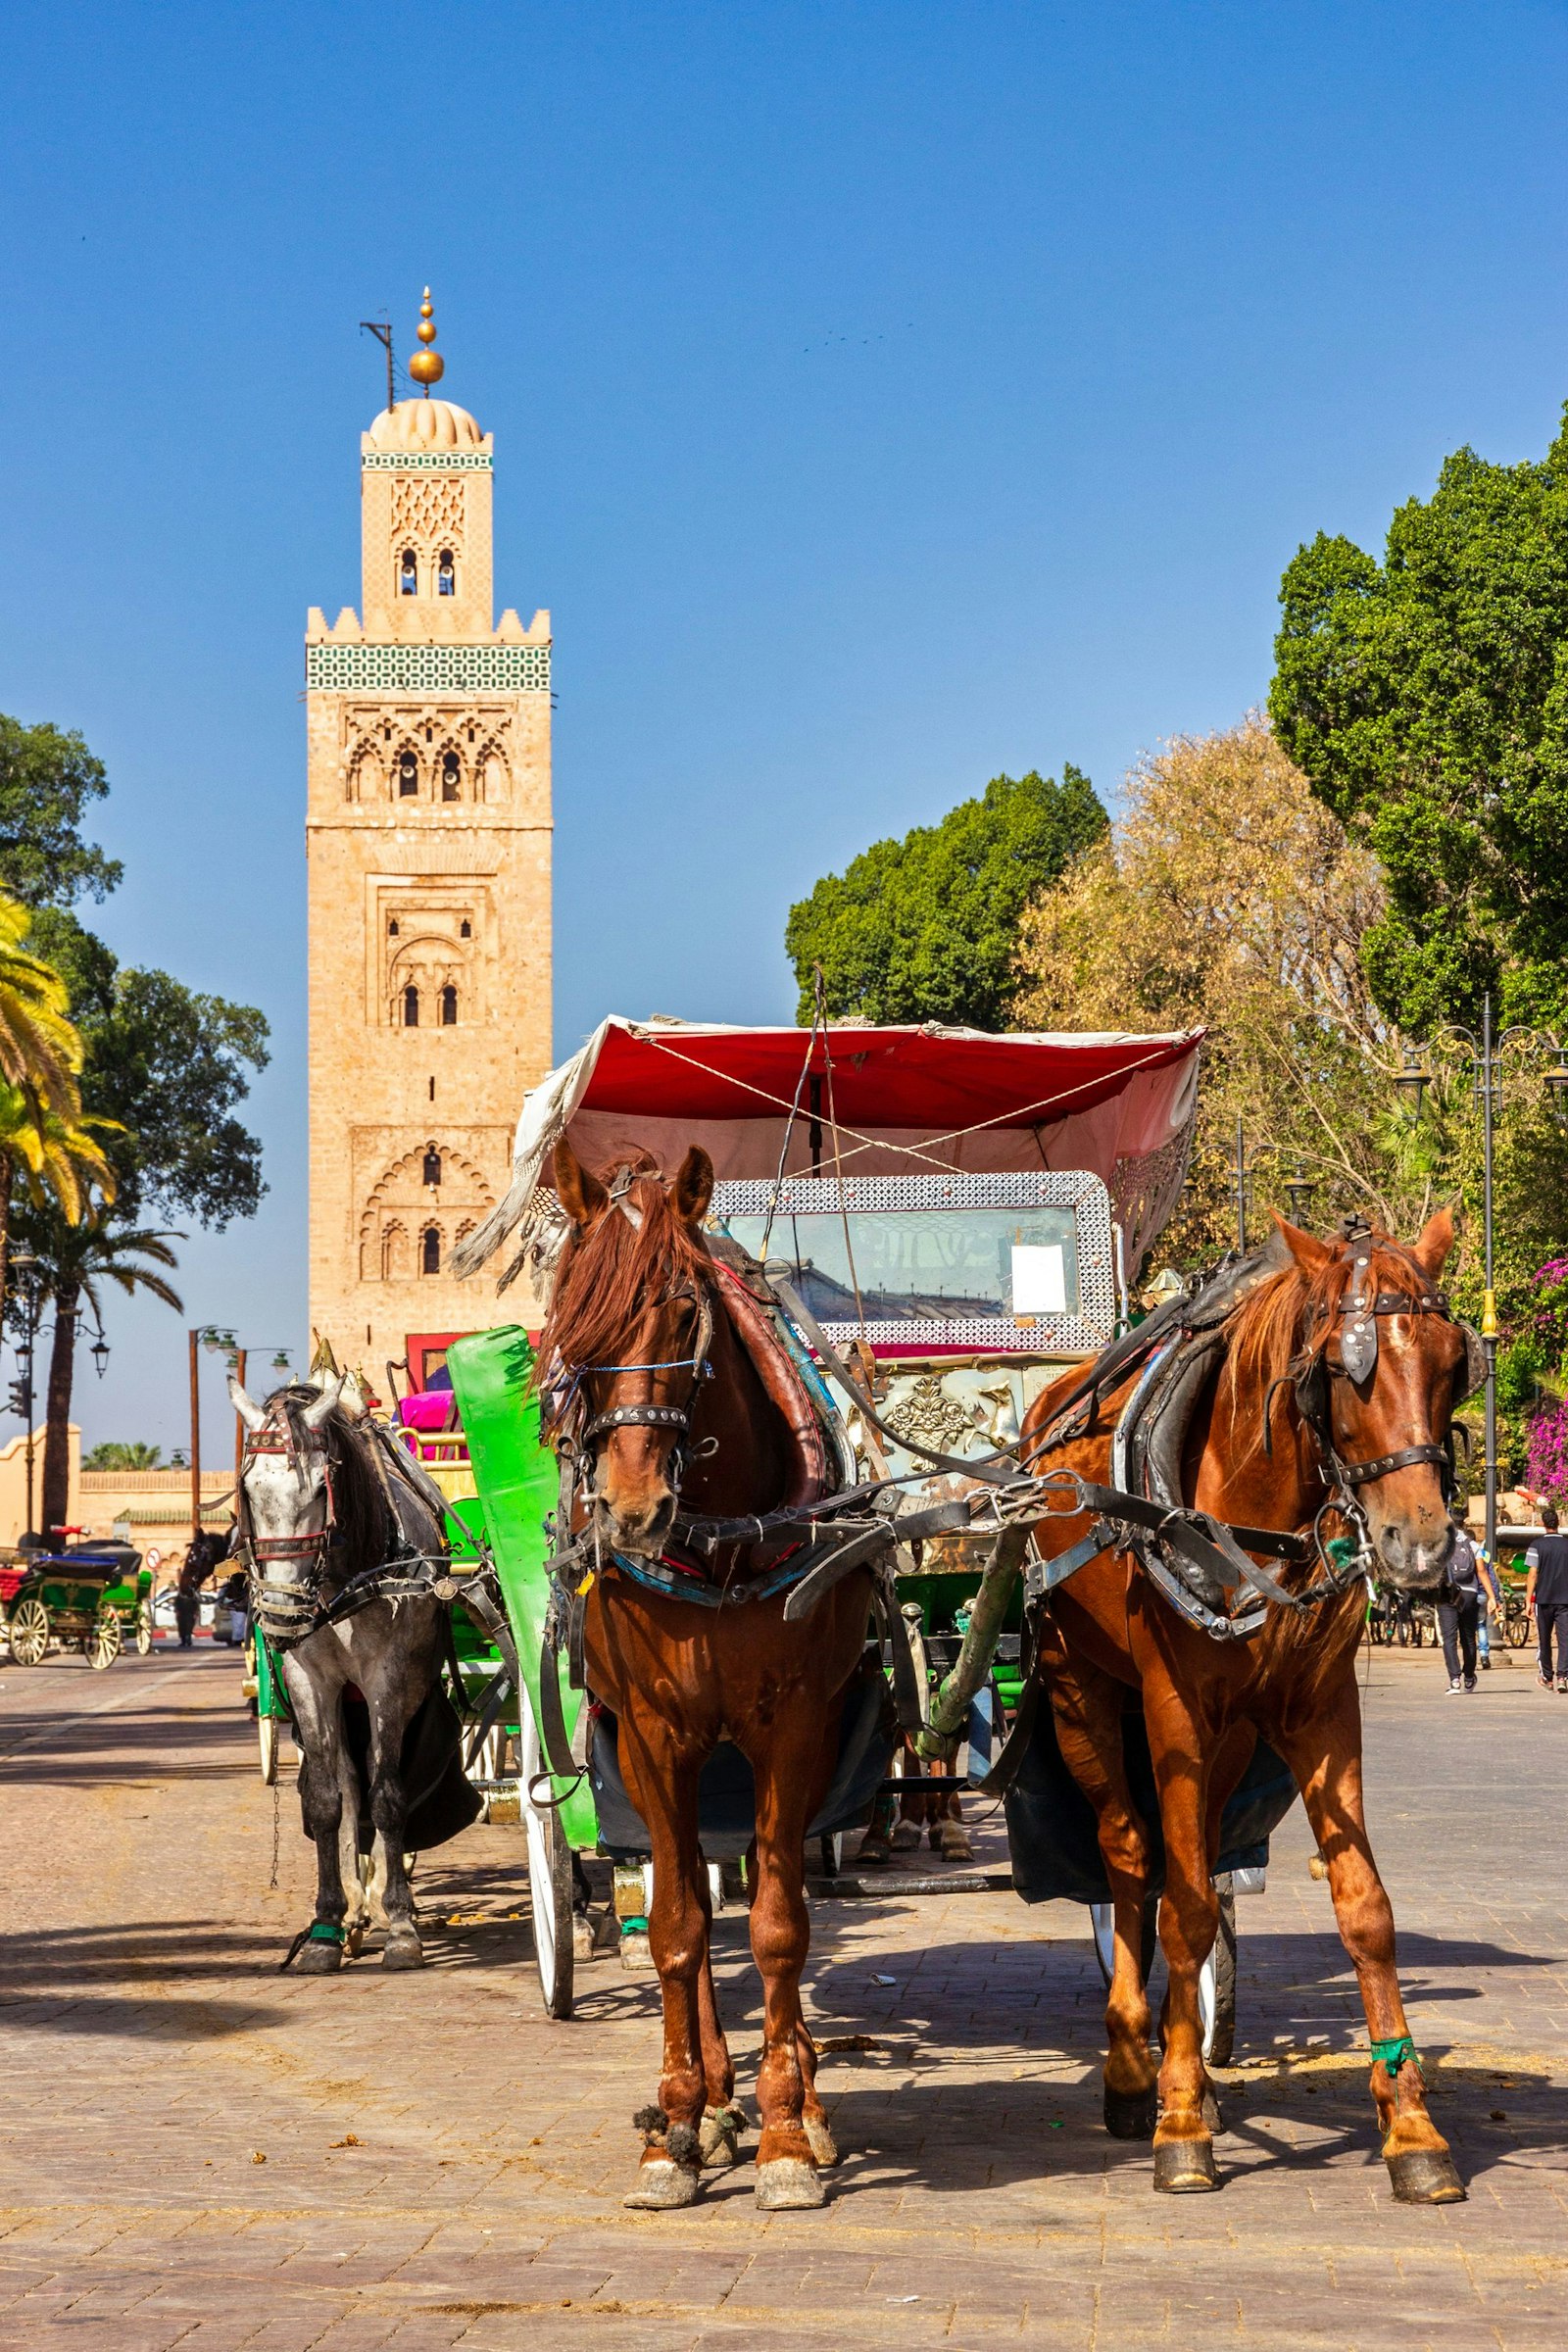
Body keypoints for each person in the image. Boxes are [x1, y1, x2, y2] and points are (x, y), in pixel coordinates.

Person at [1438, 1521, 1490, 1693]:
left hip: (1447, 1594)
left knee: (1449, 1639)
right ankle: (1469, 1677)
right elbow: (1481, 1571)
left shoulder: (1440, 1543)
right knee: (1468, 1638)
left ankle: (1454, 1681)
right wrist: (1491, 1596)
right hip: (1469, 1594)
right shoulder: (1472, 1544)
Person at [1525, 1502, 1568, 1692]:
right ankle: (1562, 1677)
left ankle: (1547, 1677)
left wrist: (1528, 1599)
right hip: (1565, 1599)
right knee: (1565, 1640)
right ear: (1558, 1523)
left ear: (1543, 1524)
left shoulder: (1537, 1545)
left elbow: (1532, 1574)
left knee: (1544, 1640)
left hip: (1543, 1599)